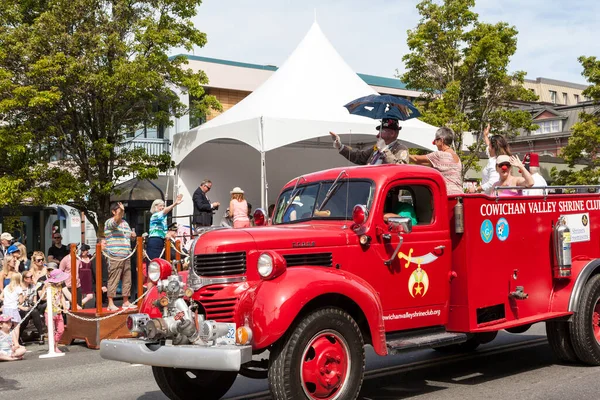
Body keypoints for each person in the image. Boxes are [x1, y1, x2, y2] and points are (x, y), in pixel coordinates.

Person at [330, 118, 409, 165]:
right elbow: (359, 157)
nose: (377, 135)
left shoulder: (401, 148)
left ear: (392, 133)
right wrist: (340, 146)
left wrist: (385, 150)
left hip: (387, 192)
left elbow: (400, 168)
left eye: (381, 131)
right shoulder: (376, 148)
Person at [409, 127, 463, 195]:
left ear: (441, 140)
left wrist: (404, 154)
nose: (435, 144)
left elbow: (416, 159)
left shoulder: (439, 155)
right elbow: (428, 165)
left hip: (447, 195)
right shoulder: (457, 157)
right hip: (459, 195)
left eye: (436, 140)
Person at [104, 202, 136, 312]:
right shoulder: (109, 222)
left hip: (126, 254)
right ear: (113, 211)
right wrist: (121, 212)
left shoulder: (125, 223)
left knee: (127, 278)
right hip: (115, 254)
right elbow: (115, 222)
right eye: (119, 210)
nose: (122, 211)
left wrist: (132, 236)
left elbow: (128, 237)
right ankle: (110, 303)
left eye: (122, 210)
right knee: (114, 278)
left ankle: (126, 301)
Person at [469, 124, 512, 194]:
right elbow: (488, 147)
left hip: (491, 199)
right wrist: (485, 136)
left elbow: (493, 182)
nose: (488, 147)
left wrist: (476, 188)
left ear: (493, 148)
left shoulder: (495, 163)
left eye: (490, 145)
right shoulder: (495, 158)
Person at [147, 194, 184, 260]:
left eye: (163, 206)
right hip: (155, 240)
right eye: (160, 206)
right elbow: (164, 211)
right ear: (155, 207)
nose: (162, 207)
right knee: (154, 262)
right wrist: (175, 203)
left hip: (161, 240)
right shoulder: (154, 216)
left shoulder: (163, 217)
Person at [43, 269, 69, 354]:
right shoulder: (49, 287)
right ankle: (53, 347)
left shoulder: (59, 287)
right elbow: (42, 297)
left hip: (58, 311)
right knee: (51, 330)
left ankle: (55, 344)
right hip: (50, 311)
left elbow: (61, 297)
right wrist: (44, 288)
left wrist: (64, 306)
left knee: (61, 330)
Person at [19, 271, 45, 345]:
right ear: (25, 279)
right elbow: (17, 302)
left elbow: (35, 300)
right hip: (20, 308)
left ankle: (41, 334)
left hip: (30, 307)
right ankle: (18, 336)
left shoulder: (32, 287)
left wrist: (32, 305)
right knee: (28, 314)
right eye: (30, 277)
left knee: (34, 311)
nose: (32, 278)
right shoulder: (19, 288)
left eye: (32, 276)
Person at [0, 273, 24, 339]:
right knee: (16, 325)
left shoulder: (6, 287)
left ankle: (7, 340)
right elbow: (21, 301)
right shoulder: (18, 288)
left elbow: (1, 297)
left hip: (6, 308)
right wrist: (24, 297)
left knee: (7, 326)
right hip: (13, 308)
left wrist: (7, 300)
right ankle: (16, 341)